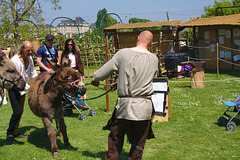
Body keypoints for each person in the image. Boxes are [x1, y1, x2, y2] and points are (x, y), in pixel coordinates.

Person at [91, 30, 158, 159]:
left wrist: (95, 78)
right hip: (144, 107)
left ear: (138, 38)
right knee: (139, 142)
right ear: (150, 43)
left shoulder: (123, 54)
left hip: (125, 107)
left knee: (116, 137)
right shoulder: (154, 59)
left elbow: (101, 74)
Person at [6, 40, 38, 143]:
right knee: (17, 112)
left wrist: (39, 81)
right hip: (13, 89)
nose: (30, 52)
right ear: (22, 49)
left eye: (31, 50)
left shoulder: (29, 59)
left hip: (22, 89)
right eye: (28, 50)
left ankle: (15, 132)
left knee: (20, 111)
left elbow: (32, 73)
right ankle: (9, 134)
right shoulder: (15, 60)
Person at [60, 39, 88, 109]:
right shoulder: (64, 53)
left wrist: (82, 74)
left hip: (76, 72)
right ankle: (73, 101)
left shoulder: (76, 53)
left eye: (71, 45)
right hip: (68, 72)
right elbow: (62, 64)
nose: (70, 46)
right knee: (71, 88)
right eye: (68, 45)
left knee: (80, 87)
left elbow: (80, 63)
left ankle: (82, 103)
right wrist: (67, 63)